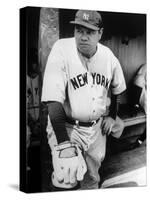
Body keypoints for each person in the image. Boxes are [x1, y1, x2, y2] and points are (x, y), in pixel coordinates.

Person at [41, 9, 126, 190]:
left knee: (91, 179)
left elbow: (117, 88)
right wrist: (64, 144)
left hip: (96, 130)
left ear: (100, 33)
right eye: (79, 30)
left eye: (89, 32)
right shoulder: (61, 49)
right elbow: (53, 100)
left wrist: (112, 115)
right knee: (66, 178)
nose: (83, 37)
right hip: (67, 127)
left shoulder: (108, 56)